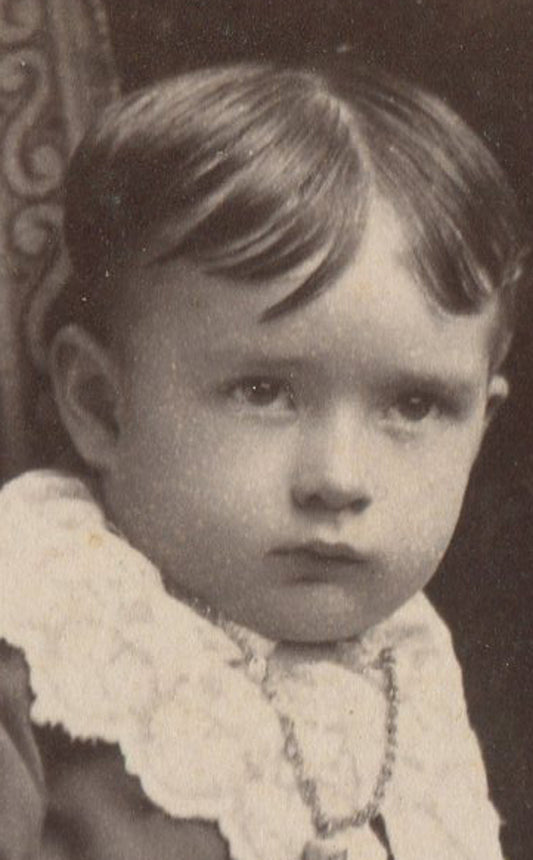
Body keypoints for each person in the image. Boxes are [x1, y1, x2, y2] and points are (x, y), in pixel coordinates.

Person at [0, 61, 527, 860]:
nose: (340, 480)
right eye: (263, 390)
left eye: (414, 407)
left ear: (480, 425)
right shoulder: (44, 637)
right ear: (102, 406)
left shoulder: (407, 663)